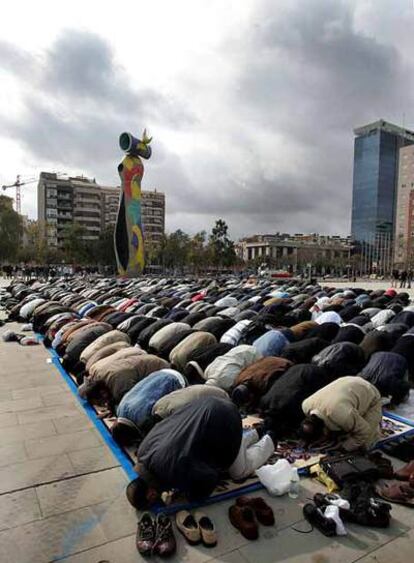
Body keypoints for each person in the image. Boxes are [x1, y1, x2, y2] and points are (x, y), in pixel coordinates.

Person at [126, 396, 274, 509]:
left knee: (238, 471)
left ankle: (272, 439)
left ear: (151, 494)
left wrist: (192, 496)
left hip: (226, 417)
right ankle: (257, 432)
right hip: (206, 404)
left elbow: (210, 477)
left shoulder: (172, 473)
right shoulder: (142, 452)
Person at [301, 376, 382, 451]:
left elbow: (364, 432)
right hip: (346, 382)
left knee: (365, 444)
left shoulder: (343, 416)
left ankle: (376, 430)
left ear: (324, 431)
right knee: (343, 431)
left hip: (370, 392)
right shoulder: (306, 405)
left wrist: (344, 447)